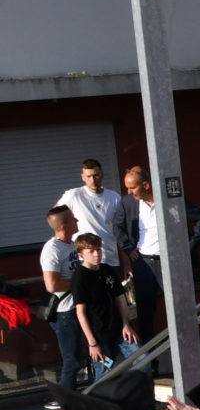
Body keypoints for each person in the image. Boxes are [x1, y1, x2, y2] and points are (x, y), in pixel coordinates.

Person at [69, 232, 135, 378]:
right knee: (104, 374)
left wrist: (126, 324)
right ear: (81, 254)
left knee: (142, 359)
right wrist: (92, 342)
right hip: (99, 337)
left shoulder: (107, 270)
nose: (96, 254)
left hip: (119, 330)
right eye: (91, 251)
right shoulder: (80, 277)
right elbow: (80, 312)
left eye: (98, 249)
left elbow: (120, 298)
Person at [40, 203, 84, 389]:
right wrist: (80, 284)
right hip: (65, 313)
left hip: (79, 307)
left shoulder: (72, 244)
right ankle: (68, 406)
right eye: (73, 218)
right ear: (64, 226)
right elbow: (52, 284)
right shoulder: (52, 249)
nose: (77, 220)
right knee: (71, 360)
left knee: (85, 355)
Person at [121, 162, 166, 343]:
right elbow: (118, 227)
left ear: (146, 185)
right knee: (145, 315)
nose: (129, 192)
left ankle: (196, 360)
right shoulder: (128, 202)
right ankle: (151, 364)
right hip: (143, 263)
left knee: (180, 310)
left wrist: (189, 246)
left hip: (167, 263)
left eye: (132, 188)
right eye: (127, 188)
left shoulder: (167, 200)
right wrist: (129, 249)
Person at [59, 153, 129, 264]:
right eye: (88, 176)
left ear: (102, 174)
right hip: (84, 262)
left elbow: (121, 231)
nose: (93, 180)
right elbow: (56, 216)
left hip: (110, 260)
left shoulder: (114, 197)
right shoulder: (73, 195)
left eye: (95, 175)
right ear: (82, 177)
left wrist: (126, 263)